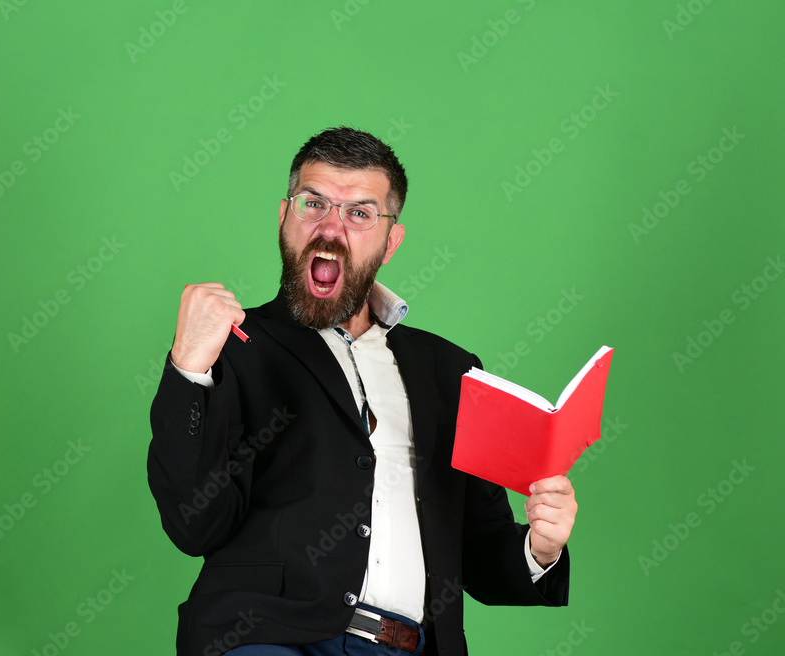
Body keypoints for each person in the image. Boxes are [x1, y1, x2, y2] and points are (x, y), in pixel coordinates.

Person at [147, 126, 578, 656]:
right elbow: (195, 524)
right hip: (265, 637)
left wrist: (541, 548)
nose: (330, 228)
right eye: (314, 203)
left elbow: (478, 549)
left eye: (359, 213)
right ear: (284, 217)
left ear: (390, 242)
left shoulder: (450, 372)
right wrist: (189, 366)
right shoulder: (235, 346)